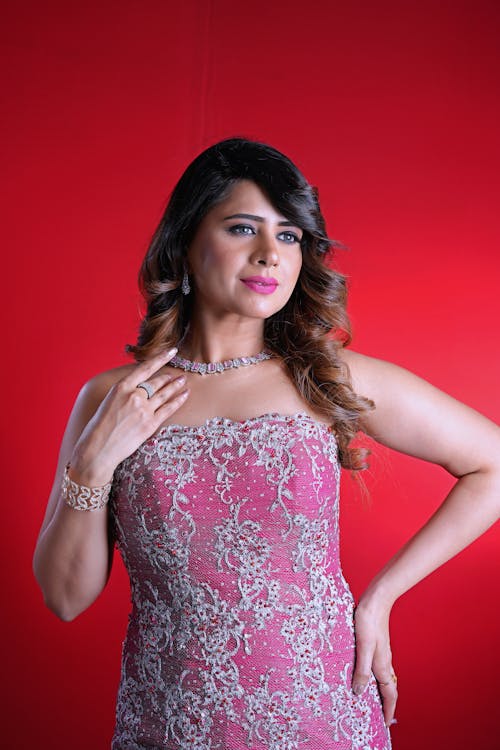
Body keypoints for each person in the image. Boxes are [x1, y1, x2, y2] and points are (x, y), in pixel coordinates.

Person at [33, 137, 500, 750]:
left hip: (323, 718)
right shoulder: (114, 399)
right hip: (169, 728)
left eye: (288, 236)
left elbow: (490, 465)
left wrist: (379, 599)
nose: (268, 255)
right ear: (185, 246)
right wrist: (92, 466)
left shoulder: (327, 377)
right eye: (242, 228)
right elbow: (65, 599)